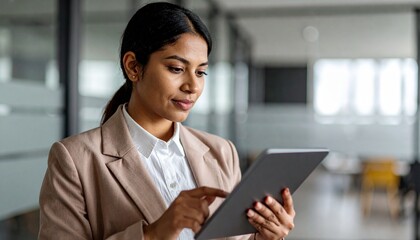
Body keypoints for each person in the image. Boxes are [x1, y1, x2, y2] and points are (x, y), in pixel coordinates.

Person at [38, 2, 295, 240]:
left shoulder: (221, 152)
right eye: (176, 68)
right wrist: (153, 233)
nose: (193, 86)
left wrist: (264, 236)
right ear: (133, 67)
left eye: (201, 71)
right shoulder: (74, 159)